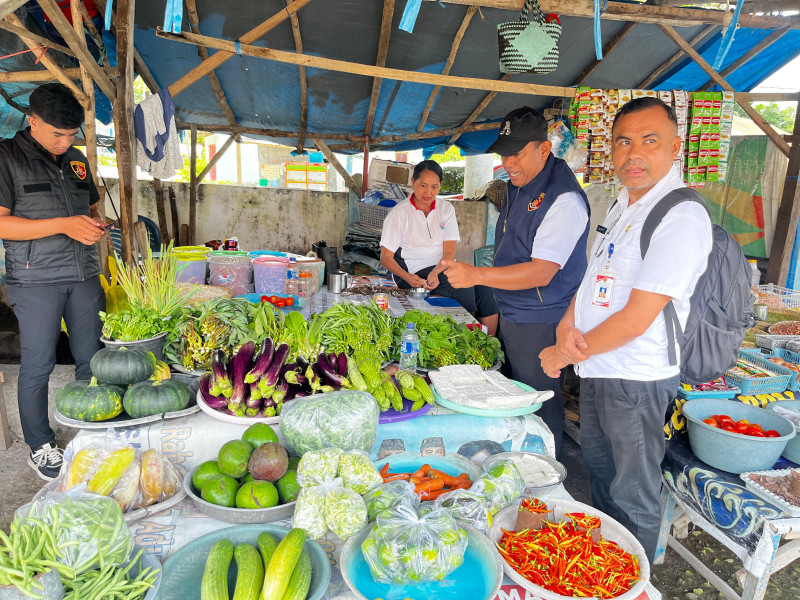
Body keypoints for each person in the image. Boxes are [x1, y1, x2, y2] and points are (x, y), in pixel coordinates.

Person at [539, 97, 713, 563]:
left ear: (675, 147)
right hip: (598, 367)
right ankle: (603, 568)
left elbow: (638, 318)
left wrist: (563, 355)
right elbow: (596, 278)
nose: (633, 154)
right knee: (598, 470)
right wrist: (565, 324)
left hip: (636, 377)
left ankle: (635, 582)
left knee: (632, 488)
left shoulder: (680, 216)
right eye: (624, 142)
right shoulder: (622, 205)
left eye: (649, 141)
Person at [443, 107, 590, 457]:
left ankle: (547, 476)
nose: (508, 162)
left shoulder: (564, 200)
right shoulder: (519, 186)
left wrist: (476, 275)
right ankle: (514, 464)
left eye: (517, 153)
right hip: (515, 311)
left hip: (541, 319)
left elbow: (542, 272)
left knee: (539, 407)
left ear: (543, 148)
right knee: (514, 399)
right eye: (504, 154)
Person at [0, 83, 108, 480]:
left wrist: (92, 224)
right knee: (39, 363)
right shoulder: (6, 157)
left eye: (71, 134)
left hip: (84, 275)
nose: (65, 142)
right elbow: (1, 223)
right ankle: (40, 445)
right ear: (32, 121)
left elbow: (87, 204)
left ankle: (92, 428)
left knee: (92, 358)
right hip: (36, 280)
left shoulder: (77, 160)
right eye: (57, 134)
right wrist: (63, 224)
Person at [380, 159, 498, 334]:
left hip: (442, 267)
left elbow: (449, 251)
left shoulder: (446, 209)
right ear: (413, 183)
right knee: (462, 287)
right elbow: (386, 257)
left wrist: (435, 272)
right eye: (423, 185)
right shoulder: (399, 213)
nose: (429, 192)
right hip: (413, 272)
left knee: (485, 287)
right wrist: (408, 277)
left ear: (440, 186)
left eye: (434, 187)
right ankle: (466, 342)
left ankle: (491, 342)